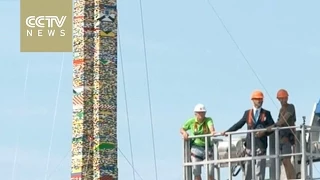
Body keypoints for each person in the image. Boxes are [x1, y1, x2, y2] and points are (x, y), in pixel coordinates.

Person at [222, 90, 275, 180]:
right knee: (248, 172)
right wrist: (228, 131)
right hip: (249, 147)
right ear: (253, 100)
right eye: (257, 99)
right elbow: (239, 124)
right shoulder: (248, 113)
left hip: (261, 146)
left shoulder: (266, 113)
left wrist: (264, 132)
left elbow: (272, 127)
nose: (260, 101)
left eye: (261, 99)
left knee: (259, 173)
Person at [180, 103, 216, 180]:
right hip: (196, 149)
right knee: (196, 172)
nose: (201, 115)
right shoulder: (191, 121)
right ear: (195, 114)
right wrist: (184, 133)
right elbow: (182, 128)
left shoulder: (208, 120)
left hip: (207, 148)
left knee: (210, 172)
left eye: (203, 113)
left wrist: (212, 131)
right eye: (200, 113)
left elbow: (211, 127)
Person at [266, 89, 296, 179]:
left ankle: (292, 178)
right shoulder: (281, 109)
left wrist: (273, 126)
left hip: (288, 137)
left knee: (287, 160)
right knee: (284, 161)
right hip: (281, 137)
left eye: (283, 98)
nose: (282, 100)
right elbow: (280, 122)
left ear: (287, 98)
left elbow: (283, 120)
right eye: (280, 99)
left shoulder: (291, 107)